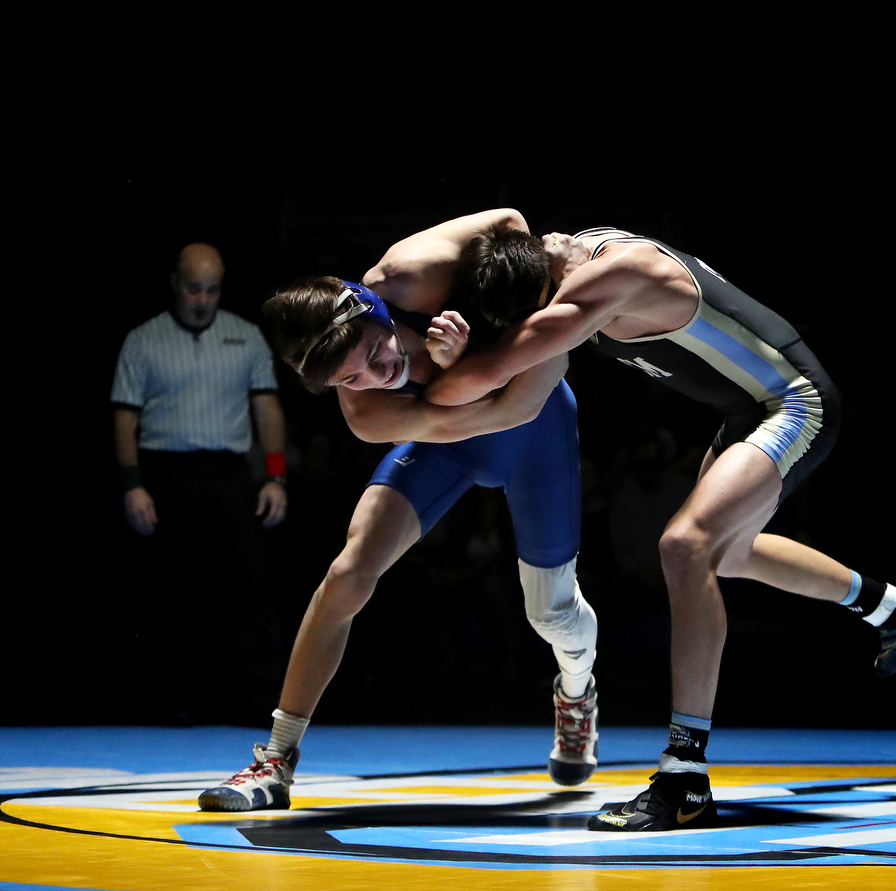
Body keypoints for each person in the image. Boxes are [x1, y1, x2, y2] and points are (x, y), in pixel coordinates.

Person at [426, 225, 896, 832]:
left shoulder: (610, 276)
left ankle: (684, 779)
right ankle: (894, 609)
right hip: (748, 412)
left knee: (685, 545)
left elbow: (486, 380)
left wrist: (441, 368)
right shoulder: (568, 271)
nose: (556, 238)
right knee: (726, 554)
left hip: (794, 402)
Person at [197, 210, 601, 813]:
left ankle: (576, 692)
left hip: (536, 422)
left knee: (551, 612)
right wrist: (456, 369)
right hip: (463, 430)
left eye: (369, 352)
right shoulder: (366, 411)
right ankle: (275, 758)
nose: (375, 375)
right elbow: (481, 416)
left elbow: (511, 220)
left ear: (374, 310)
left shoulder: (412, 272)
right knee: (347, 573)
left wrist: (517, 303)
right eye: (349, 377)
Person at [111, 243, 290, 722]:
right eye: (194, 288)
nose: (203, 299)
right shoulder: (143, 340)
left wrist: (274, 476)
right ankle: (171, 705)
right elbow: (124, 417)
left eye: (212, 290)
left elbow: (267, 409)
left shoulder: (246, 336)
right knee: (171, 592)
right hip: (164, 472)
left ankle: (264, 707)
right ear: (175, 283)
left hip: (230, 474)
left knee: (251, 588)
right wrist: (133, 483)